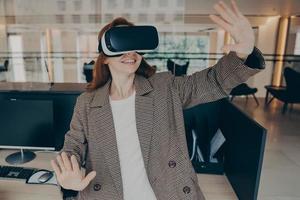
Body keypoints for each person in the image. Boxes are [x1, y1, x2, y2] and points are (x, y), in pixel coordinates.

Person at [51, 1, 265, 199]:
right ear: (104, 57)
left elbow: (212, 82)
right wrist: (68, 172)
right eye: (120, 46)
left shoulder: (165, 87)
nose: (130, 53)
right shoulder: (87, 102)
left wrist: (243, 54)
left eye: (135, 46)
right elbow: (73, 145)